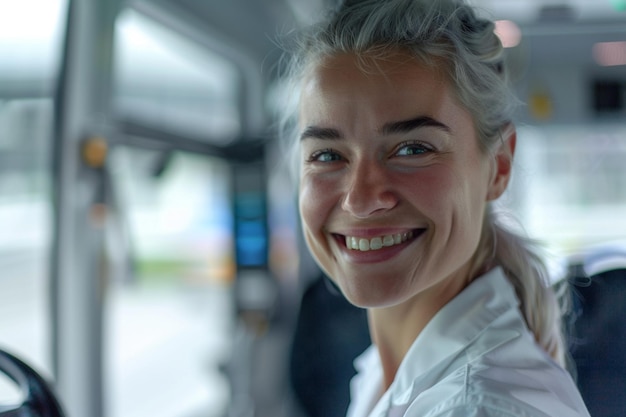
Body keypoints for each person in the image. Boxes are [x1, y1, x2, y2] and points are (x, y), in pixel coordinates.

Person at [279, 0, 591, 416]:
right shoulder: (385, 371)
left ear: (498, 166)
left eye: (411, 149)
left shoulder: (479, 405)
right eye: (326, 156)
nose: (360, 199)